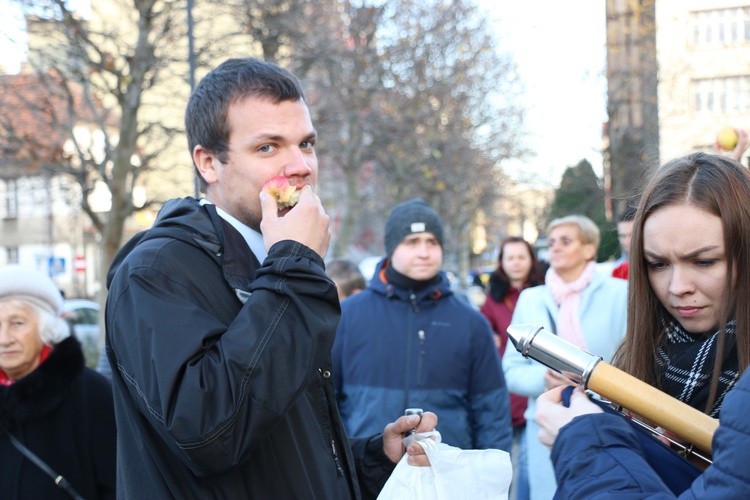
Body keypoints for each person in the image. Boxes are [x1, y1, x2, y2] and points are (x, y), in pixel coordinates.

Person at [104, 57, 437, 498]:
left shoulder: (276, 263)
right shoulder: (155, 273)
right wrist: (295, 264)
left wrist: (373, 459)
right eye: (268, 147)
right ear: (208, 163)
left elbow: (278, 439)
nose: (300, 166)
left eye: (307, 144)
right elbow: (210, 434)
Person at [535, 152, 750, 497]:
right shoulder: (650, 352)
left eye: (704, 261)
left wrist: (588, 444)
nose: (677, 287)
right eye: (658, 264)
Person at [332, 198, 513, 452]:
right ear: (392, 248)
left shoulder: (471, 323)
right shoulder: (347, 316)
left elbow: (492, 414)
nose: (424, 252)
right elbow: (326, 404)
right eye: (412, 242)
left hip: (447, 477)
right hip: (367, 477)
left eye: (432, 242)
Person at [502, 214, 628, 500]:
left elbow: (633, 357)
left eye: (566, 241)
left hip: (607, 421)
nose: (555, 248)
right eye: (552, 242)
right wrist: (542, 379)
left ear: (589, 249)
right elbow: (510, 369)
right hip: (546, 425)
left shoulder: (620, 293)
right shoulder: (531, 298)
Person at [0, 264, 116, 499]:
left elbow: (118, 485)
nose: (4, 339)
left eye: (17, 323)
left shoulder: (93, 394)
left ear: (47, 329)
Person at [479, 236, 544, 499]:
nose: (516, 264)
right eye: (510, 258)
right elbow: (483, 336)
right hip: (504, 389)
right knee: (503, 460)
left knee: (530, 459)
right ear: (502, 263)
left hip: (536, 386)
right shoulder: (493, 300)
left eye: (521, 257)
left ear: (531, 260)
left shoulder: (544, 293)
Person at [611, 206, 636, 280]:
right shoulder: (616, 270)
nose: (627, 241)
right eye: (623, 236)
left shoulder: (654, 265)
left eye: (632, 235)